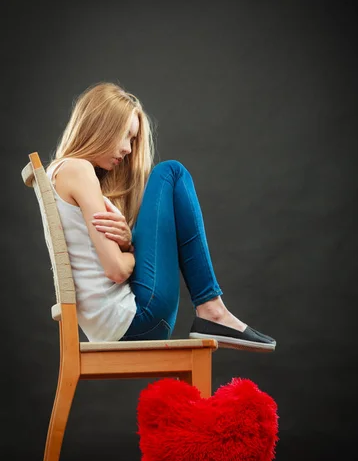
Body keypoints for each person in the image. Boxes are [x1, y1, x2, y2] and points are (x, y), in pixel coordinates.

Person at [46, 82, 276, 351]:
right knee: (171, 172)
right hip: (135, 322)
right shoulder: (78, 170)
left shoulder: (59, 172)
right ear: (102, 127)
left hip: (113, 326)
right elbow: (117, 270)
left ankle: (213, 311)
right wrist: (134, 251)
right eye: (125, 136)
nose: (129, 149)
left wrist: (128, 243)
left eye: (132, 141)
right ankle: (212, 310)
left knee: (169, 174)